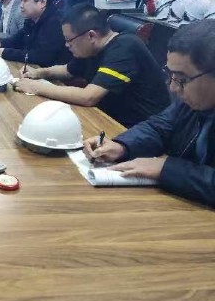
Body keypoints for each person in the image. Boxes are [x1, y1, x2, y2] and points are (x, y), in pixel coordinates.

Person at [83, 20, 215, 208]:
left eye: (182, 79)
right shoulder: (193, 102)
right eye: (170, 75)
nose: (173, 88)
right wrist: (122, 146)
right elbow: (159, 127)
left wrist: (165, 168)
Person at [16, 3, 170, 127]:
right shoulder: (91, 49)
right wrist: (39, 73)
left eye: (69, 40)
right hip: (107, 119)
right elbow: (67, 70)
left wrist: (37, 87)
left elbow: (89, 97)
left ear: (91, 36)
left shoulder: (125, 47)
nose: (66, 45)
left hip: (138, 130)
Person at [0, 0, 70, 67]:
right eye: (21, 0)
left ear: (42, 2)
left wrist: (4, 52)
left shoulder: (55, 23)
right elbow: (18, 38)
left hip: (53, 73)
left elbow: (41, 56)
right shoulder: (32, 18)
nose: (21, 5)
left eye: (25, 0)